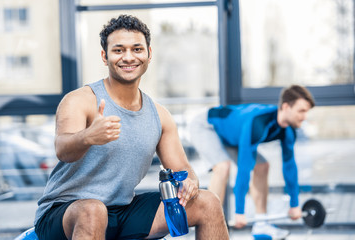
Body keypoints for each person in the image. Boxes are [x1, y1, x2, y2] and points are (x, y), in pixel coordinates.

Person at [33, 15, 229, 240]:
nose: (128, 57)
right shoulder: (80, 100)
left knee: (208, 202)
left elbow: (183, 169)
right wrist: (88, 136)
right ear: (105, 57)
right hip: (65, 211)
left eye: (137, 49)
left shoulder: (160, 116)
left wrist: (189, 182)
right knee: (93, 211)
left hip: (122, 210)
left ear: (149, 54)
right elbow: (62, 149)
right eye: (118, 50)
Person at [189, 85, 315, 239]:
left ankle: (261, 225)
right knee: (222, 167)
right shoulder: (257, 123)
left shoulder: (288, 130)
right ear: (286, 107)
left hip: (231, 137)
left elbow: (289, 167)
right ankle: (208, 223)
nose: (305, 116)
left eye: (307, 111)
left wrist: (294, 205)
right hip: (206, 126)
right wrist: (239, 212)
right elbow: (244, 168)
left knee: (262, 166)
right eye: (301, 111)